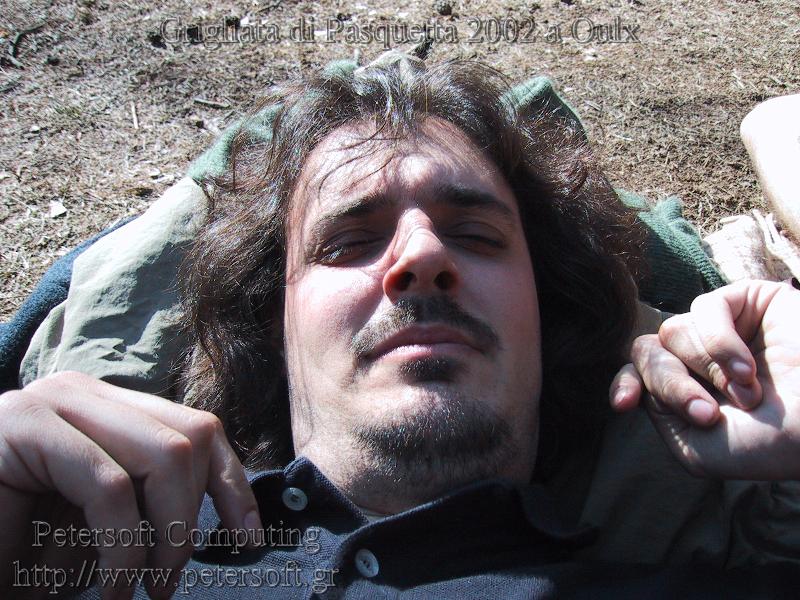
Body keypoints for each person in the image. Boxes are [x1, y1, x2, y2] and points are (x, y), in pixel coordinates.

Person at [1, 53, 799, 599]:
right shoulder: (89, 546)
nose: (420, 257)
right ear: (273, 322)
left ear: (546, 314)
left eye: (477, 235)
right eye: (349, 241)